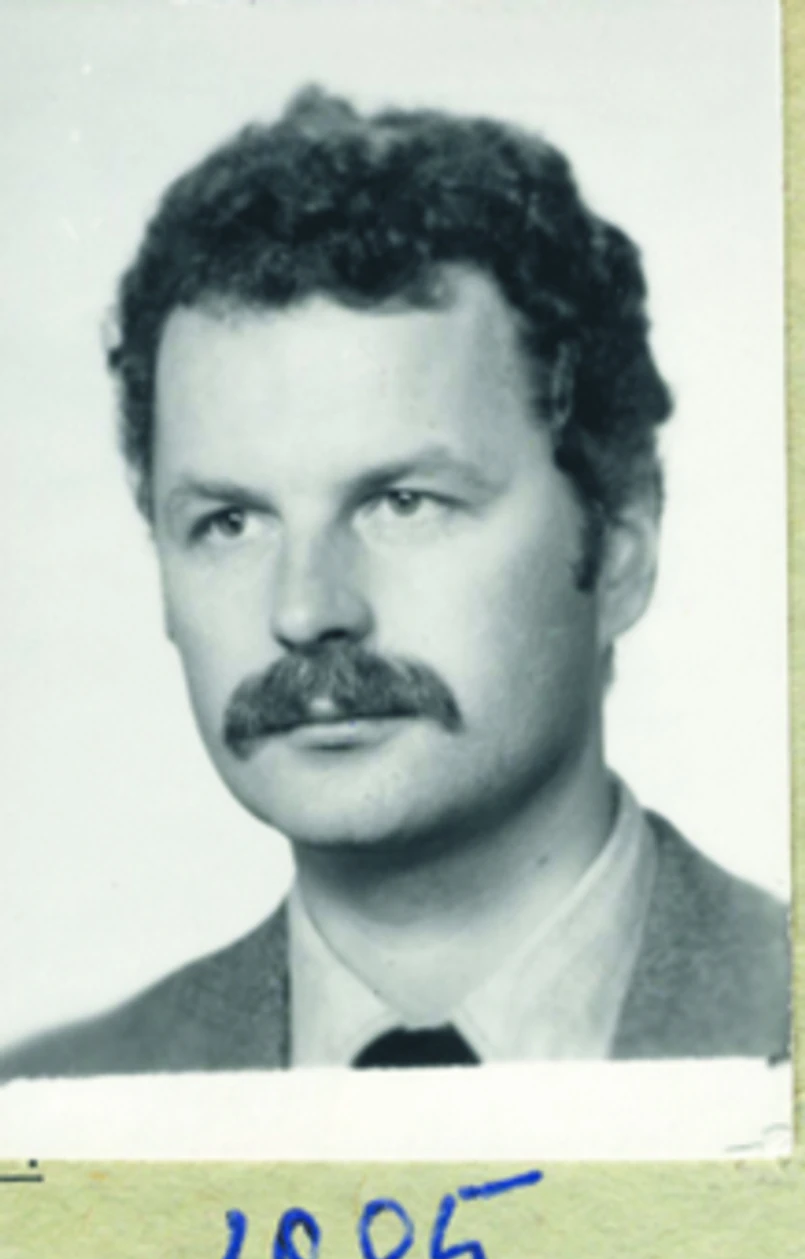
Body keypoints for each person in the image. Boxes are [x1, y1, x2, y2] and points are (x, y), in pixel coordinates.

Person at [0, 87, 789, 1079]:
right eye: (229, 521)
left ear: (622, 543)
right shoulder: (46, 1104)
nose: (304, 610)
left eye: (402, 503)